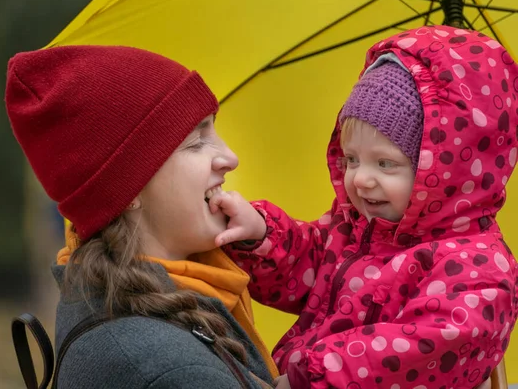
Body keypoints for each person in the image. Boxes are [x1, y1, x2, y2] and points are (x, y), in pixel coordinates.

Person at [210, 25, 518, 388]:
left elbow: (420, 348)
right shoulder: (355, 227)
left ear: (446, 170)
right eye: (352, 159)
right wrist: (262, 235)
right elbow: (309, 265)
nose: (360, 180)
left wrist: (310, 377)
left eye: (385, 164)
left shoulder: (476, 270)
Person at [5, 44, 281, 388]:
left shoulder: (104, 299)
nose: (230, 156)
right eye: (196, 142)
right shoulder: (170, 370)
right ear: (128, 189)